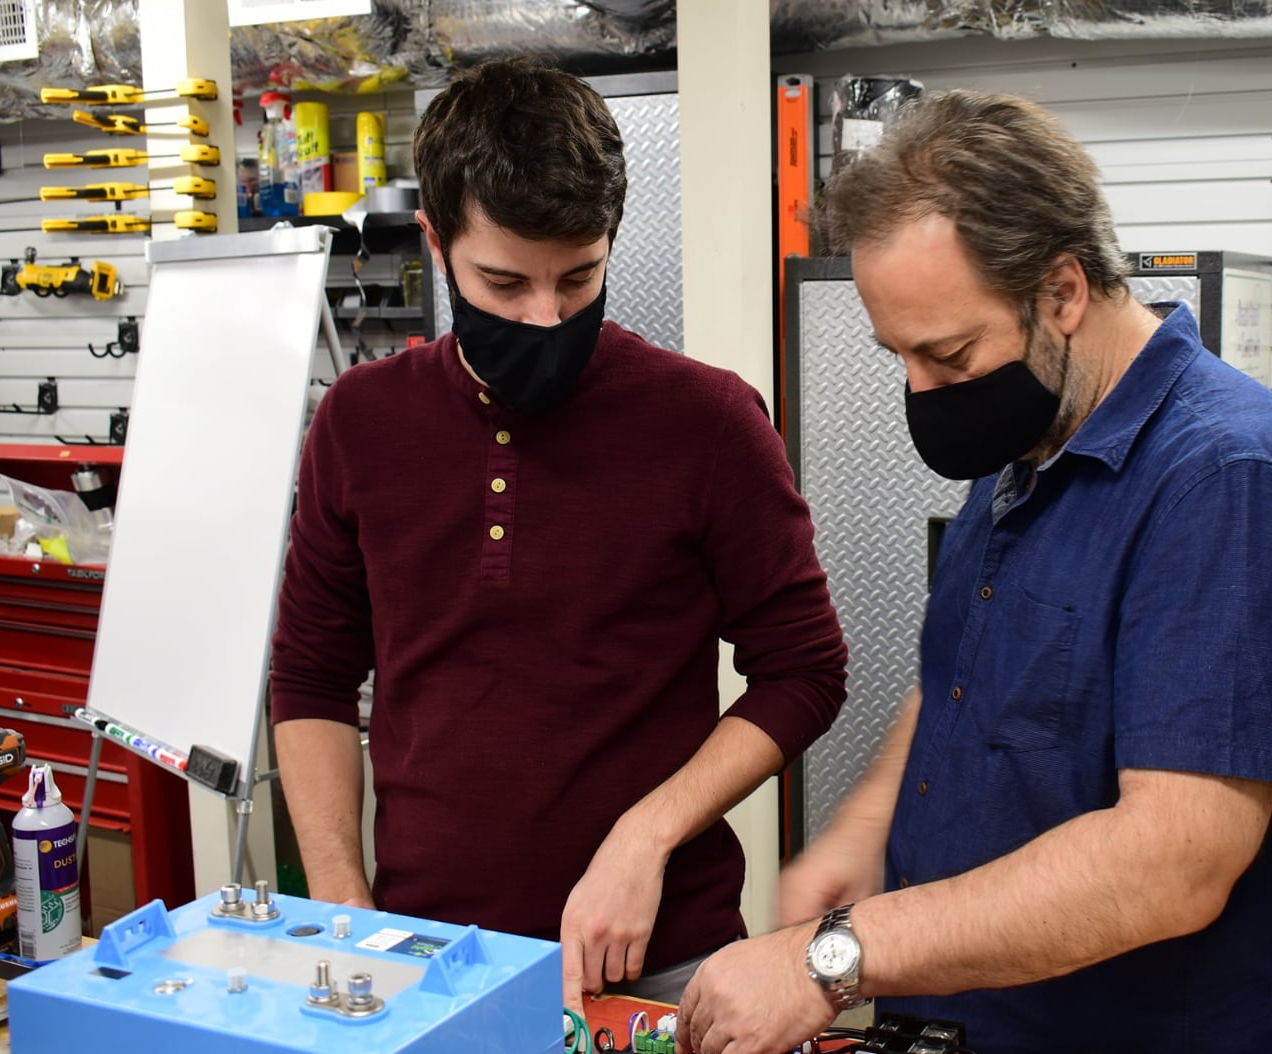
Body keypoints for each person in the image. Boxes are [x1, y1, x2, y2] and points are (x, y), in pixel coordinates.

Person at [678, 89, 1272, 1054]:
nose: (922, 392)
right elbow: (969, 676)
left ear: (1062, 293)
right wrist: (866, 829)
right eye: (897, 356)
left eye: (948, 355)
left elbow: (1173, 861)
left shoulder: (1229, 482)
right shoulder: (1033, 433)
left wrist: (830, 956)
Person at [268, 57, 848, 1013]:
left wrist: (646, 835)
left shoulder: (708, 423)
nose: (546, 317)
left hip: (662, 962)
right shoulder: (359, 424)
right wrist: (343, 909)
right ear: (435, 243)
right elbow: (312, 679)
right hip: (426, 961)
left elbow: (806, 672)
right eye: (504, 283)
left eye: (579, 278)